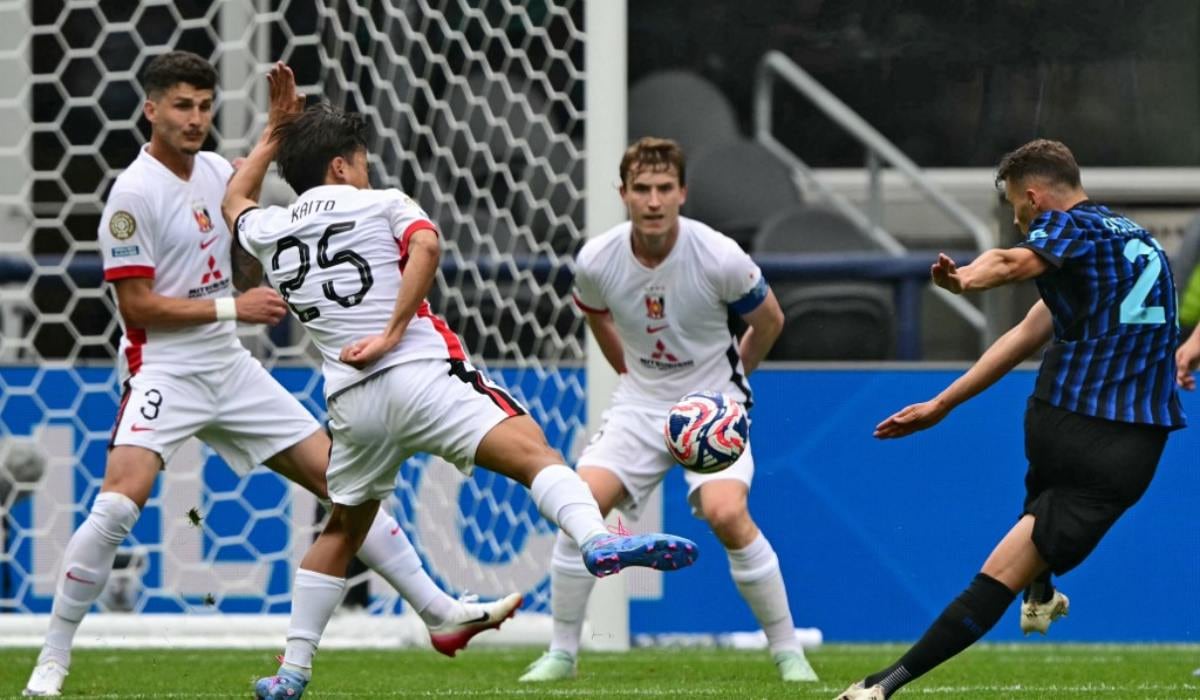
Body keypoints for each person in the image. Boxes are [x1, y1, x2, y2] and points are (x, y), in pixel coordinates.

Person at [22, 52, 521, 698]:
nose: (196, 118)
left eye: (204, 105)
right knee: (120, 500)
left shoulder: (213, 172)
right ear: (151, 110)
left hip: (229, 366)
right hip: (165, 369)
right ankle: (52, 659)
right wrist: (237, 303)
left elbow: (242, 203)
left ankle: (438, 614)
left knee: (343, 486)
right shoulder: (132, 194)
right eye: (181, 105)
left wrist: (279, 129)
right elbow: (135, 306)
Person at [222, 65, 700, 700]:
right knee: (537, 457)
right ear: (341, 166)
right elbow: (427, 245)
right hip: (421, 375)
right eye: (360, 159)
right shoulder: (382, 202)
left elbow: (233, 204)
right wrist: (393, 330)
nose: (365, 169)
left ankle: (292, 672)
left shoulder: (273, 229)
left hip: (350, 403)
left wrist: (272, 135)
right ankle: (593, 539)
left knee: (342, 528)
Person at [837, 138, 1186, 700]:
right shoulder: (1139, 244)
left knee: (1023, 546)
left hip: (1056, 422)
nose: (1018, 221)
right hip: (1124, 447)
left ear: (1032, 196)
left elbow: (1013, 280)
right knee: (1007, 569)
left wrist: (965, 285)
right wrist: (943, 400)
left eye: (1014, 209)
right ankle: (881, 688)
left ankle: (1039, 591)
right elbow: (1024, 310)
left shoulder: (1068, 232)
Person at [518, 136, 817, 683]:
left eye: (663, 189)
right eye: (641, 189)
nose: (653, 201)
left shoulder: (720, 255)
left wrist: (731, 389)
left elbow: (769, 321)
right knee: (578, 508)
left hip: (713, 402)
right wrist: (632, 376)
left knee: (728, 514)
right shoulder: (596, 259)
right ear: (623, 194)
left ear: (682, 192)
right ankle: (562, 653)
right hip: (640, 403)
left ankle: (787, 651)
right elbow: (597, 316)